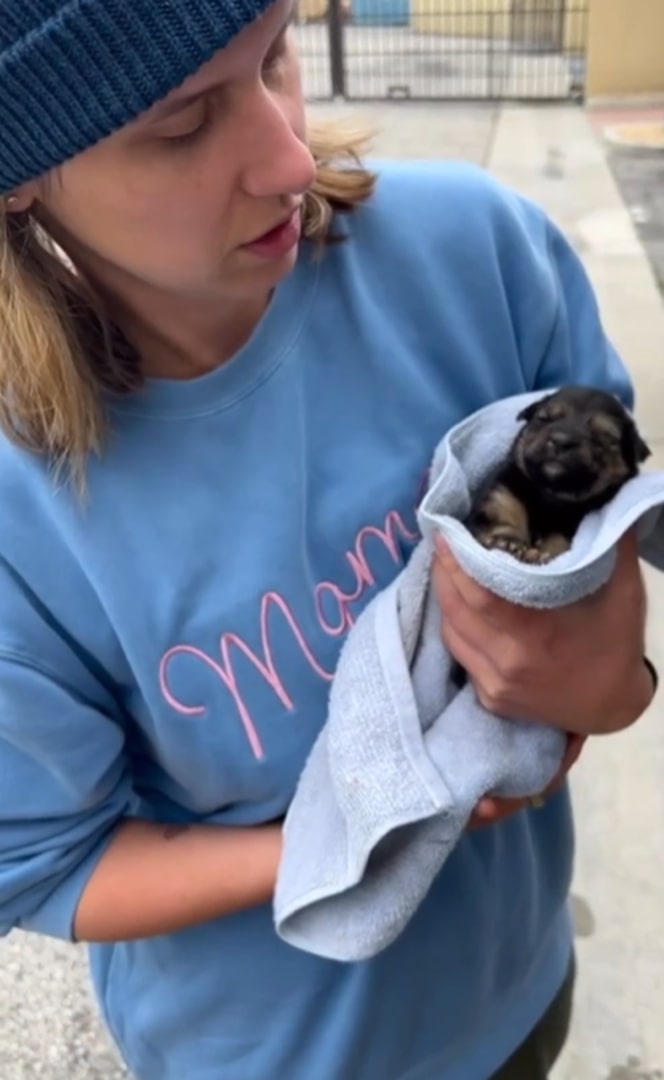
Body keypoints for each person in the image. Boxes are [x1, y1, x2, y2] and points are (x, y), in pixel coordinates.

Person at [0, 2, 655, 1078]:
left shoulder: (480, 257)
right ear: (21, 170)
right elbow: (49, 864)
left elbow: (609, 554)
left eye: (276, 56)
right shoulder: (24, 509)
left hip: (513, 989)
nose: (288, 155)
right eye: (181, 123)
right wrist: (342, 848)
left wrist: (606, 689)